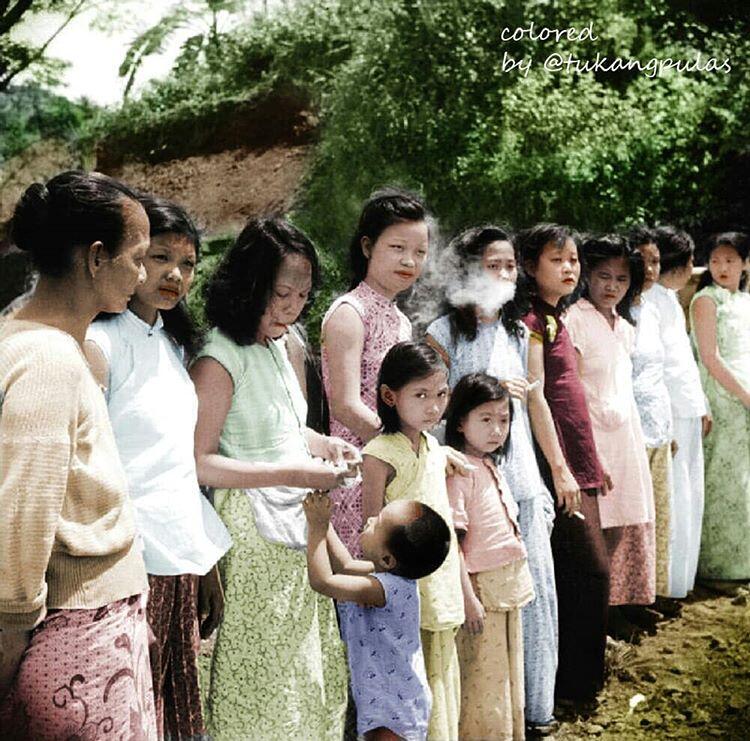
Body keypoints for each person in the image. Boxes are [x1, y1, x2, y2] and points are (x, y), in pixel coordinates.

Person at [0, 171, 156, 738]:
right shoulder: (47, 361)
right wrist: (11, 642)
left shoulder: (36, 342)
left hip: (88, 632)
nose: (143, 274)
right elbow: (21, 520)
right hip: (71, 644)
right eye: (137, 258)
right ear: (96, 258)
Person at [190, 217, 356, 740]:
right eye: (282, 292)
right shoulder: (219, 356)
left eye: (303, 295)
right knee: (264, 664)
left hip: (301, 514)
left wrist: (324, 445)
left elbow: (285, 429)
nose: (292, 306)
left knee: (305, 658)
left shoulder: (284, 345)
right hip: (253, 527)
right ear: (250, 285)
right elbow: (201, 461)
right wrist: (293, 470)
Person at [85, 194, 232, 739]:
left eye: (188, 263)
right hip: (127, 567)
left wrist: (205, 563)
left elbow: (175, 467)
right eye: (159, 257)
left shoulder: (173, 346)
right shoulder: (101, 343)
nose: (174, 274)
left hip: (178, 563)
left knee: (172, 711)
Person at [425, 226, 558, 734]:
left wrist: (558, 470)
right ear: (467, 271)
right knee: (480, 598)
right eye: (492, 265)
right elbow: (434, 409)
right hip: (467, 484)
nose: (504, 274)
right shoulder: (443, 332)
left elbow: (537, 402)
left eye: (509, 266)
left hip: (520, 473)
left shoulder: (520, 330)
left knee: (533, 593)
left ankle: (533, 710)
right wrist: (484, 392)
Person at [517, 223, 611, 710]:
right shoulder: (532, 321)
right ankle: (570, 687)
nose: (570, 267)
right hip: (553, 463)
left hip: (578, 457)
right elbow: (536, 396)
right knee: (585, 572)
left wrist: (589, 460)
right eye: (557, 260)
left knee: (584, 573)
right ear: (531, 267)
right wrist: (558, 466)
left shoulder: (559, 316)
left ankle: (581, 680)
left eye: (573, 259)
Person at [362, 341, 464, 740]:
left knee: (442, 674)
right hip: (406, 590)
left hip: (442, 580)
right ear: (390, 396)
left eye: (441, 395)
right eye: (421, 395)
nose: (433, 407)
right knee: (410, 681)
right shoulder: (379, 452)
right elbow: (371, 531)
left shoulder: (434, 447)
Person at [322, 188, 429, 555]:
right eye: (397, 248)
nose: (409, 261)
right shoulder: (349, 312)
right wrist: (397, 451)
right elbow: (345, 404)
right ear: (367, 247)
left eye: (419, 252)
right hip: (356, 472)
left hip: (395, 470)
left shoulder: (401, 321)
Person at [304, 491, 451, 741]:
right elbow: (346, 566)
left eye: (378, 522)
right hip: (395, 701)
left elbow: (323, 582)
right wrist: (324, 521)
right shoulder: (393, 576)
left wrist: (316, 529)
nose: (370, 519)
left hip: (393, 709)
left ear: (388, 558)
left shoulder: (383, 589)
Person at [565, 236, 656, 636]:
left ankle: (616, 607)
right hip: (594, 434)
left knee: (622, 524)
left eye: (621, 278)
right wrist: (589, 455)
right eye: (603, 276)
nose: (612, 286)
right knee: (597, 530)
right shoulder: (576, 319)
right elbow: (574, 389)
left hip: (625, 434)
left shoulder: (624, 324)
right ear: (588, 275)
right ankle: (595, 618)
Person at [444, 373, 534, 741]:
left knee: (506, 678)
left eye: (504, 419)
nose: (497, 429)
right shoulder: (460, 471)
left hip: (507, 588)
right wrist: (468, 600)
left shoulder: (490, 465)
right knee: (484, 683)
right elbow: (453, 542)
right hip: (482, 593)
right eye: (486, 419)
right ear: (461, 422)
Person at [643, 226, 710, 599]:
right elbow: (661, 369)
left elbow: (683, 360)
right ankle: (666, 586)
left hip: (687, 407)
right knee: (674, 499)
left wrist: (700, 404)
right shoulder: (647, 302)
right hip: (666, 415)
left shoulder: (667, 298)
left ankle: (680, 581)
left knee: (689, 496)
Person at [690, 232, 750, 591]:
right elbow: (710, 357)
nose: (722, 267)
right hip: (723, 394)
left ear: (745, 263)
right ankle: (717, 564)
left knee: (744, 479)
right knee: (722, 478)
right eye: (715, 260)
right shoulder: (705, 300)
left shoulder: (744, 300)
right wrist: (744, 395)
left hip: (745, 389)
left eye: (730, 259)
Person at [629, 227, 679, 618]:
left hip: (659, 420)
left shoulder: (654, 307)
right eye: (642, 260)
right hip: (629, 430)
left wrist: (671, 425)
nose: (649, 268)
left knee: (660, 514)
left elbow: (662, 370)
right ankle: (626, 605)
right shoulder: (620, 309)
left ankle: (652, 594)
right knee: (634, 521)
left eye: (655, 261)